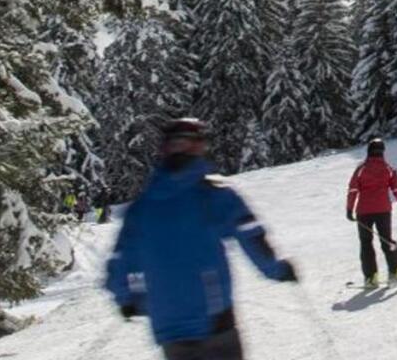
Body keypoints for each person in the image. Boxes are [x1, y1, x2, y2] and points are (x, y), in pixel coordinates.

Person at [105, 118, 297, 360]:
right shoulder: (213, 197)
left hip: (170, 327)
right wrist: (277, 269)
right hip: (213, 319)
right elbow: (250, 234)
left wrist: (127, 299)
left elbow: (120, 260)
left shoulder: (141, 209)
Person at [345, 138, 397, 288]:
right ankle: (396, 271)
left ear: (368, 151)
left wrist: (349, 209)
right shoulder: (389, 169)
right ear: (382, 152)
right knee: (387, 240)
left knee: (366, 243)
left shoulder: (361, 169)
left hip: (364, 211)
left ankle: (371, 277)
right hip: (383, 210)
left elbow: (353, 190)